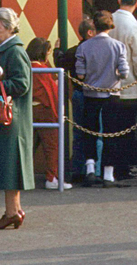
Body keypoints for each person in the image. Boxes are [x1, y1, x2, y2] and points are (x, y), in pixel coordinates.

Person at [0, 8, 35, 229]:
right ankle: (14, 210)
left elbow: (22, 84)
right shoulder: (5, 50)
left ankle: (12, 212)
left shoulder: (14, 52)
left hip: (10, 119)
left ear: (9, 28)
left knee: (10, 166)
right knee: (10, 166)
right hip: (8, 117)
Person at [75, 10, 130, 187]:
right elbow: (124, 72)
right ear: (110, 25)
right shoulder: (118, 46)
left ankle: (90, 169)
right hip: (112, 93)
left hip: (90, 94)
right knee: (111, 133)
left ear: (94, 26)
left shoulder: (84, 47)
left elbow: (80, 74)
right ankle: (108, 174)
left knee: (89, 132)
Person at [110, 0, 137, 180]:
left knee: (110, 129)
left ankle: (109, 167)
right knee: (127, 129)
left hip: (107, 85)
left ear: (119, 0)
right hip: (129, 86)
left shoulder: (108, 20)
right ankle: (123, 167)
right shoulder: (134, 27)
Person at [55, 17, 96, 183]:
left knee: (79, 132)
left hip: (79, 93)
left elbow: (60, 63)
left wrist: (57, 51)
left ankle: (78, 169)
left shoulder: (73, 51)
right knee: (97, 132)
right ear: (90, 32)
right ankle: (95, 170)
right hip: (96, 94)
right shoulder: (97, 49)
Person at [28, 37, 69, 190]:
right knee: (52, 146)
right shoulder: (43, 70)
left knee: (28, 146)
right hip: (45, 110)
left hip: (29, 110)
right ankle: (52, 178)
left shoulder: (26, 67)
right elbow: (51, 93)